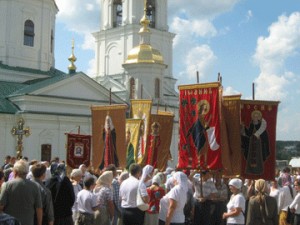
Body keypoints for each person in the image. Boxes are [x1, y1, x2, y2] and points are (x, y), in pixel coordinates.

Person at [0, 159, 43, 225]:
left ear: (15, 171)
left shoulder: (7, 185)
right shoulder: (35, 186)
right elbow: (39, 208)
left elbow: (1, 206)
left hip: (10, 222)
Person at [241, 110, 270, 175]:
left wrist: (259, 137)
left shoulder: (261, 125)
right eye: (254, 116)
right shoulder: (251, 124)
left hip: (259, 145)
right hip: (251, 144)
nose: (255, 117)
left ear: (258, 117)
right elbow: (249, 134)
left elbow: (264, 136)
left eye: (256, 116)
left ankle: (258, 170)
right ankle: (251, 170)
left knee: (258, 157)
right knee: (251, 157)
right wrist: (243, 127)